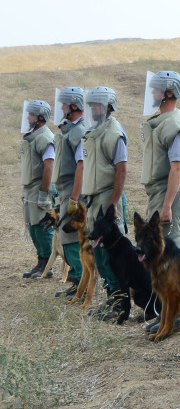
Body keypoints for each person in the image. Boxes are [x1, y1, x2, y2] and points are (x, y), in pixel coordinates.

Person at [80, 86, 129, 319]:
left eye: (98, 104)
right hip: (94, 201)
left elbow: (121, 169)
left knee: (114, 254)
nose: (93, 109)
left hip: (107, 199)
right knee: (99, 253)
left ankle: (120, 303)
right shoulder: (92, 132)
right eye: (91, 105)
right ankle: (111, 299)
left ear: (109, 106)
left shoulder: (114, 132)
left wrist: (114, 203)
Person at [140, 70, 180, 249]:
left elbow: (176, 169)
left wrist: (167, 205)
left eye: (156, 90)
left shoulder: (173, 125)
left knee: (169, 246)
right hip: (158, 193)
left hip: (166, 193)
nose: (152, 93)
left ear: (168, 93)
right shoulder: (163, 122)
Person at [53, 86, 88, 296]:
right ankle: (77, 280)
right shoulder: (70, 130)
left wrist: (74, 199)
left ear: (73, 105)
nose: (62, 108)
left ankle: (80, 283)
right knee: (67, 239)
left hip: (73, 191)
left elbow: (81, 166)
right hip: (65, 189)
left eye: (64, 104)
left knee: (72, 237)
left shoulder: (78, 132)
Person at [19, 100, 57, 279]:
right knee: (33, 227)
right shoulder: (33, 135)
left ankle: (47, 266)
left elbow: (49, 166)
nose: (28, 117)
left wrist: (44, 192)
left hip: (39, 187)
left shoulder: (44, 137)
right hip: (30, 188)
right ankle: (40, 262)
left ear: (41, 117)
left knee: (42, 227)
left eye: (31, 114)